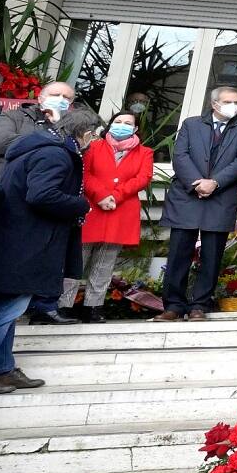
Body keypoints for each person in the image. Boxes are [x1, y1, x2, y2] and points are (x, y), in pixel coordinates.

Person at [0, 109, 98, 394]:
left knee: (12, 305)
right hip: (27, 241)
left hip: (17, 236)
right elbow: (42, 195)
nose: (93, 141)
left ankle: (2, 368)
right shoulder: (55, 154)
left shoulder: (38, 148)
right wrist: (80, 204)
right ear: (84, 132)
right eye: (93, 135)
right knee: (11, 306)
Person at [157, 88, 237, 322]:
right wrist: (197, 183)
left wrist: (215, 183)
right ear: (214, 104)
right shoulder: (191, 124)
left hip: (220, 198)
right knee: (179, 253)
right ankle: (173, 305)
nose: (233, 106)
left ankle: (200, 305)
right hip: (188, 196)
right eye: (228, 101)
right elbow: (180, 156)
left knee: (211, 256)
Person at [0, 81, 77, 324]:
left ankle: (45, 306)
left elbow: (76, 152)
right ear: (40, 97)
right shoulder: (14, 116)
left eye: (66, 97)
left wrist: (59, 126)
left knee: (49, 252)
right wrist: (51, 131)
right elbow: (2, 143)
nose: (60, 99)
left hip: (51, 196)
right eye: (55, 94)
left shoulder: (69, 124)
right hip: (10, 192)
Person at [64, 113, 154, 322]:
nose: (122, 126)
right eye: (118, 122)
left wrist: (116, 195)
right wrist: (102, 195)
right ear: (110, 125)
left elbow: (143, 177)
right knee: (76, 261)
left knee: (105, 264)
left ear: (135, 128)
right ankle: (63, 305)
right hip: (90, 209)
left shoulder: (145, 152)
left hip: (120, 211)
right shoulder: (93, 146)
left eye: (128, 123)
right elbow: (84, 173)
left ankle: (93, 307)